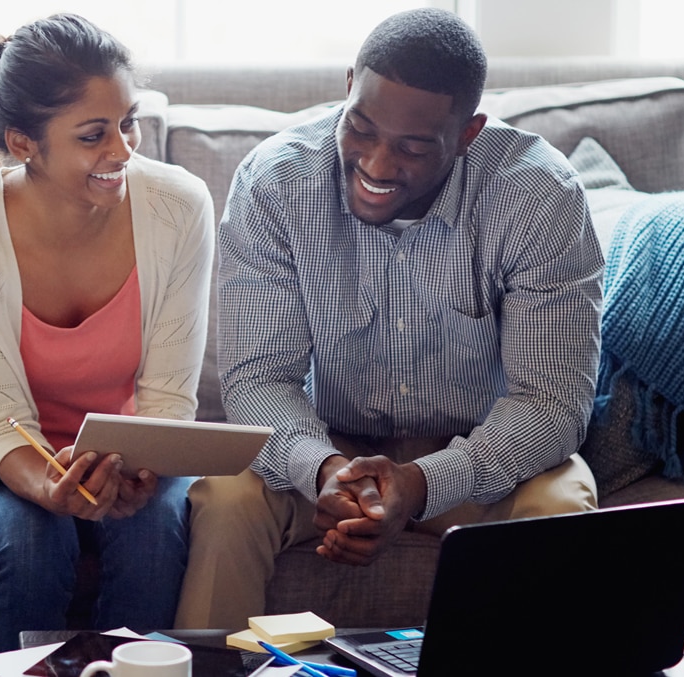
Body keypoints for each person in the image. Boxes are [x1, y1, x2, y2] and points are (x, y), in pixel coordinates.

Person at [174, 8, 603, 629]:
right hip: (329, 449)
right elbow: (256, 379)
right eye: (362, 128)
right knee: (226, 495)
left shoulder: (539, 199)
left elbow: (552, 403)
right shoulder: (276, 182)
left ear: (467, 133)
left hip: (476, 458)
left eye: (412, 147)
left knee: (562, 504)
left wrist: (422, 484)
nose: (376, 165)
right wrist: (321, 469)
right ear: (349, 86)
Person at [0, 14, 214, 653]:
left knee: (155, 537)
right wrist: (52, 488)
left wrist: (147, 472)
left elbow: (167, 399)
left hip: (131, 456)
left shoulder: (179, 208)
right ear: (25, 143)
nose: (124, 151)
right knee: (32, 540)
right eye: (93, 135)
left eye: (128, 122)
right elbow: (0, 423)